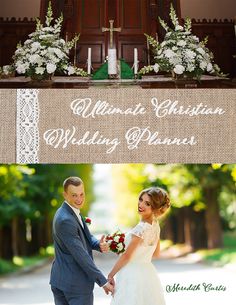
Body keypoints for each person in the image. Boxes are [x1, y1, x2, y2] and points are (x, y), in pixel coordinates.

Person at [50, 176, 114, 305]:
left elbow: (86, 237)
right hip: (75, 286)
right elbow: (81, 255)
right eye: (74, 195)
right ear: (65, 195)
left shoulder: (68, 212)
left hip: (62, 281)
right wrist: (103, 281)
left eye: (81, 194)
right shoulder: (66, 220)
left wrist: (99, 245)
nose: (79, 199)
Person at [108, 187, 171, 305]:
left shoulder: (140, 229)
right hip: (147, 272)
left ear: (155, 208)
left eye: (147, 203)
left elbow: (127, 256)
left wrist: (111, 274)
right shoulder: (156, 226)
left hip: (132, 273)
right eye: (141, 200)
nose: (141, 204)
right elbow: (156, 254)